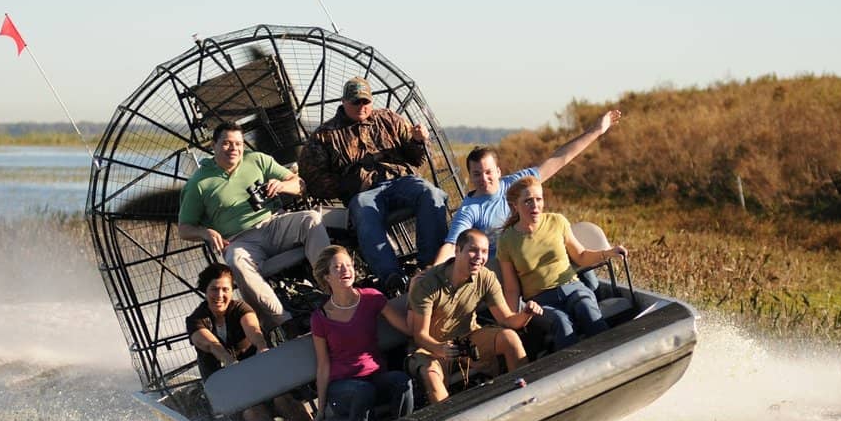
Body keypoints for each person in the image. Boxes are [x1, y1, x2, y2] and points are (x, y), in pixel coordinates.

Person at [299, 76, 449, 296]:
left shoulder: (389, 119)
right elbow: (312, 177)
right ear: (344, 102)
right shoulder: (325, 135)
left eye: (365, 101)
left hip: (401, 181)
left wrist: (418, 141)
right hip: (364, 193)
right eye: (355, 102)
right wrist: (346, 185)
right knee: (363, 209)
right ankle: (392, 278)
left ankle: (429, 267)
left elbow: (417, 158)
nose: (361, 106)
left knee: (432, 194)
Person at [178, 122, 330, 334]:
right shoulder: (198, 184)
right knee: (235, 260)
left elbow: (299, 184)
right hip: (240, 240)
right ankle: (284, 322)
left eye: (238, 144)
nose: (233, 149)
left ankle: (332, 290)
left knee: (311, 218)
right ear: (214, 145)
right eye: (227, 143)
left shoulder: (257, 159)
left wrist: (283, 186)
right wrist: (205, 232)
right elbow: (184, 229)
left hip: (273, 223)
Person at [432, 110, 622, 266]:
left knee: (579, 267)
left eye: (488, 172)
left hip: (536, 248)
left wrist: (596, 130)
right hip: (507, 267)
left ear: (498, 171)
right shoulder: (470, 210)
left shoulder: (515, 183)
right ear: (470, 176)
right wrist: (432, 271)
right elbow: (452, 246)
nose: (484, 178)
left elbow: (560, 159)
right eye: (477, 174)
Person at [407, 228, 542, 404]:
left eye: (484, 251)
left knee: (510, 338)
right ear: (457, 251)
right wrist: (440, 348)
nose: (480, 257)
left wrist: (526, 314)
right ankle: (451, 418)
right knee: (430, 373)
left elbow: (507, 320)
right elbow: (420, 335)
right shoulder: (427, 284)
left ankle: (527, 396)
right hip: (432, 347)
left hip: (468, 338)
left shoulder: (486, 277)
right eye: (473, 250)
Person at [497, 176, 627, 351]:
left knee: (585, 307)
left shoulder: (557, 221)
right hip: (540, 301)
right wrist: (512, 319)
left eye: (539, 199)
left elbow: (581, 256)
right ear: (515, 206)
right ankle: (574, 363)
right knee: (561, 322)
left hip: (572, 287)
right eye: (528, 201)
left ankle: (611, 353)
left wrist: (608, 253)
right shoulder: (506, 240)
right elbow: (512, 288)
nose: (535, 206)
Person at [186, 262, 310, 421]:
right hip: (231, 389)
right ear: (205, 290)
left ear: (232, 290)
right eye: (214, 289)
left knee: (286, 401)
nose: (220, 295)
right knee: (255, 413)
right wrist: (228, 360)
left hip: (261, 379)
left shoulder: (240, 308)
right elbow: (211, 344)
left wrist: (261, 346)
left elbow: (253, 328)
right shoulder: (195, 320)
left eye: (225, 289)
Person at [309, 245, 414, 421]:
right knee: (363, 391)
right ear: (327, 277)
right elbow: (323, 365)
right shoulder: (320, 318)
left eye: (348, 265)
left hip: (374, 379)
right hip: (342, 389)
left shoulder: (372, 298)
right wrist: (321, 411)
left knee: (401, 381)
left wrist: (417, 291)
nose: (345, 270)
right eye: (337, 267)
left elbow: (408, 328)